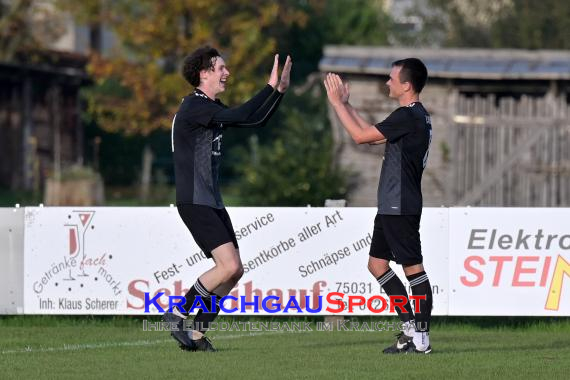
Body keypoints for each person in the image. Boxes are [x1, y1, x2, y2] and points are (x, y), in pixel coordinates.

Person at [164, 46, 292, 351]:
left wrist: (279, 93)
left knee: (235, 271)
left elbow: (254, 121)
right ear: (204, 73)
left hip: (211, 200)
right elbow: (244, 113)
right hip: (195, 200)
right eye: (221, 68)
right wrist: (269, 87)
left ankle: (196, 334)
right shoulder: (195, 106)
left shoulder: (208, 108)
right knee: (227, 266)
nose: (227, 73)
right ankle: (177, 313)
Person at [324, 58, 433, 354]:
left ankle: (421, 338)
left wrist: (335, 104)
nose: (387, 82)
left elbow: (360, 137)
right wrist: (347, 105)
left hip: (401, 203)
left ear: (406, 85)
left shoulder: (408, 115)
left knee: (413, 269)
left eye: (392, 78)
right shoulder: (411, 116)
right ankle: (411, 328)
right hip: (391, 204)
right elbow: (372, 136)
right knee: (377, 265)